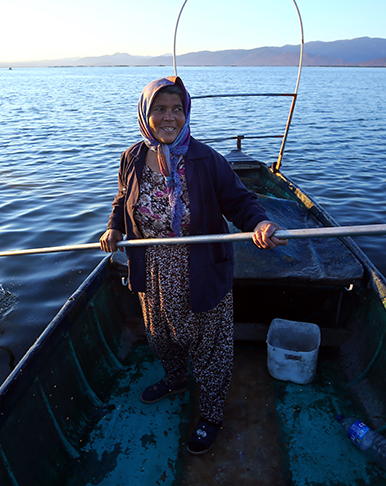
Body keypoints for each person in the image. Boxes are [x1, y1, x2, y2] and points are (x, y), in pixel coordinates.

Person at [100, 76, 286, 455]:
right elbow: (123, 199)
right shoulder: (132, 157)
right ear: (144, 113)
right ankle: (175, 378)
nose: (170, 118)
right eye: (160, 110)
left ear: (186, 113)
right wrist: (114, 227)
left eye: (177, 109)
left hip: (199, 266)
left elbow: (239, 201)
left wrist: (260, 223)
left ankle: (212, 414)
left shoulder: (205, 159)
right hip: (151, 265)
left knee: (210, 346)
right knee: (160, 335)